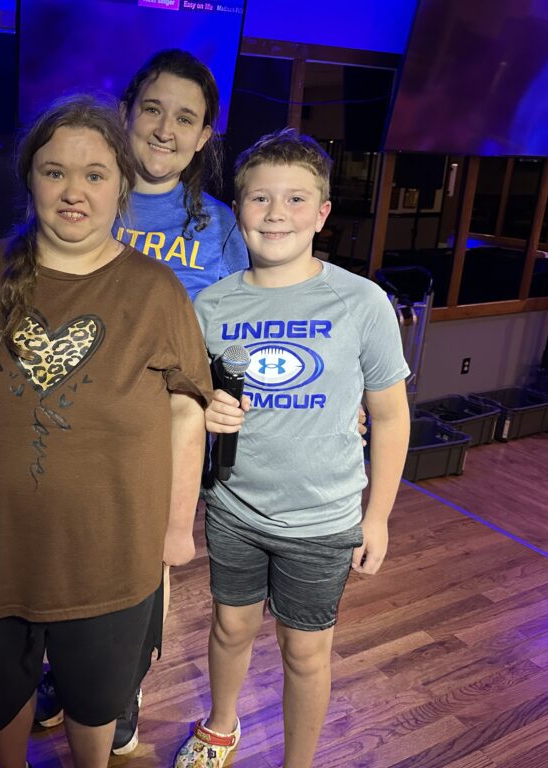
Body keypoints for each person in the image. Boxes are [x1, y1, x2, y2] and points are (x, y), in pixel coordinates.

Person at [0, 48, 248, 754]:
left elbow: (249, 323)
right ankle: (56, 677)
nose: (165, 128)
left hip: (148, 436)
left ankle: (114, 694)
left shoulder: (220, 230)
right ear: (127, 115)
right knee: (41, 589)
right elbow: (2, 296)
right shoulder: (69, 190)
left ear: (204, 137)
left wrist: (256, 392)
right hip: (54, 445)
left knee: (123, 604)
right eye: (152, 109)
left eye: (185, 118)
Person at [173, 128, 411, 768]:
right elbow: (186, 407)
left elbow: (390, 417)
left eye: (296, 199)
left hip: (324, 518)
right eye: (260, 198)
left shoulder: (362, 301)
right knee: (230, 626)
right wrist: (206, 408)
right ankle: (221, 727)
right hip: (234, 509)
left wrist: (378, 517)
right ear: (238, 209)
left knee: (305, 652)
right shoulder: (210, 305)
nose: (276, 213)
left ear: (323, 213)